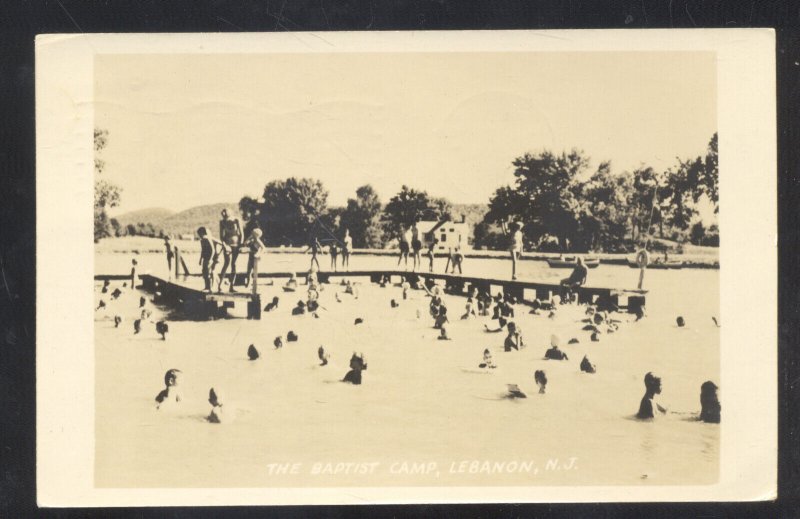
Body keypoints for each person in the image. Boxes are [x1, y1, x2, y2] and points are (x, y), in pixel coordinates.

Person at [218, 209, 243, 292]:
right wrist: (225, 245)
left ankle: (231, 286)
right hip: (227, 244)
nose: (224, 215)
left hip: (236, 245)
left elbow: (241, 234)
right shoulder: (222, 222)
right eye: (223, 215)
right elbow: (221, 237)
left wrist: (241, 245)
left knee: (234, 264)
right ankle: (220, 285)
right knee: (226, 263)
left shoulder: (236, 220)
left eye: (225, 214)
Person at [197, 227, 226, 292]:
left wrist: (214, 256)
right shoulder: (202, 240)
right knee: (206, 272)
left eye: (199, 234)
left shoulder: (207, 238)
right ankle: (215, 286)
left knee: (210, 272)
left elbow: (213, 249)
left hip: (212, 258)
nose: (199, 236)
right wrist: (200, 259)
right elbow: (203, 250)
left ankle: (211, 287)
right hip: (206, 258)